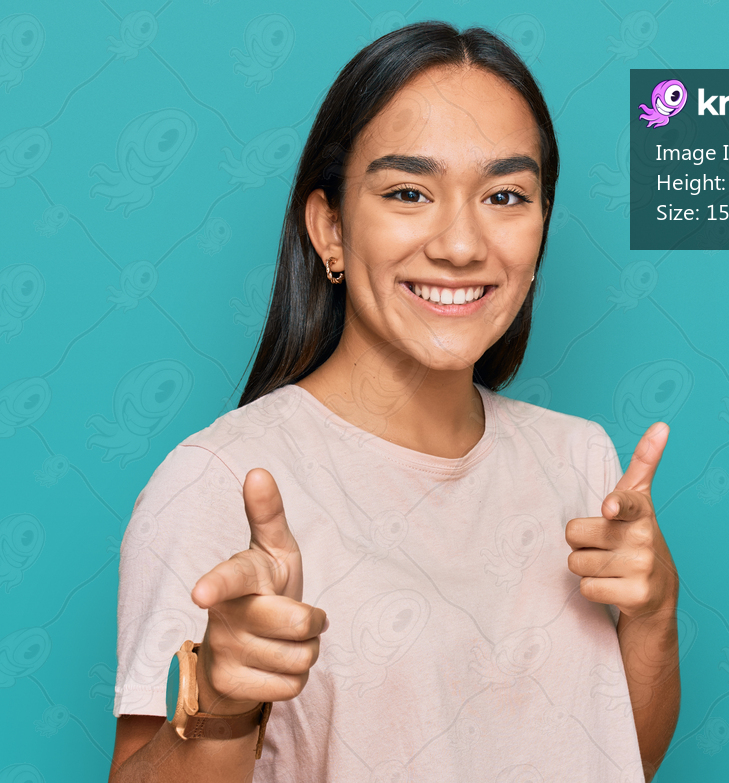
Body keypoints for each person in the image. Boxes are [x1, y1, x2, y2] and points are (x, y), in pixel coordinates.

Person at [108, 20, 680, 783]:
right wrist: (220, 708)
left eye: (505, 194)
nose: (461, 244)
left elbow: (610, 757)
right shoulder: (221, 481)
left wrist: (654, 620)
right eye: (409, 191)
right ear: (330, 229)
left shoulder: (583, 461)